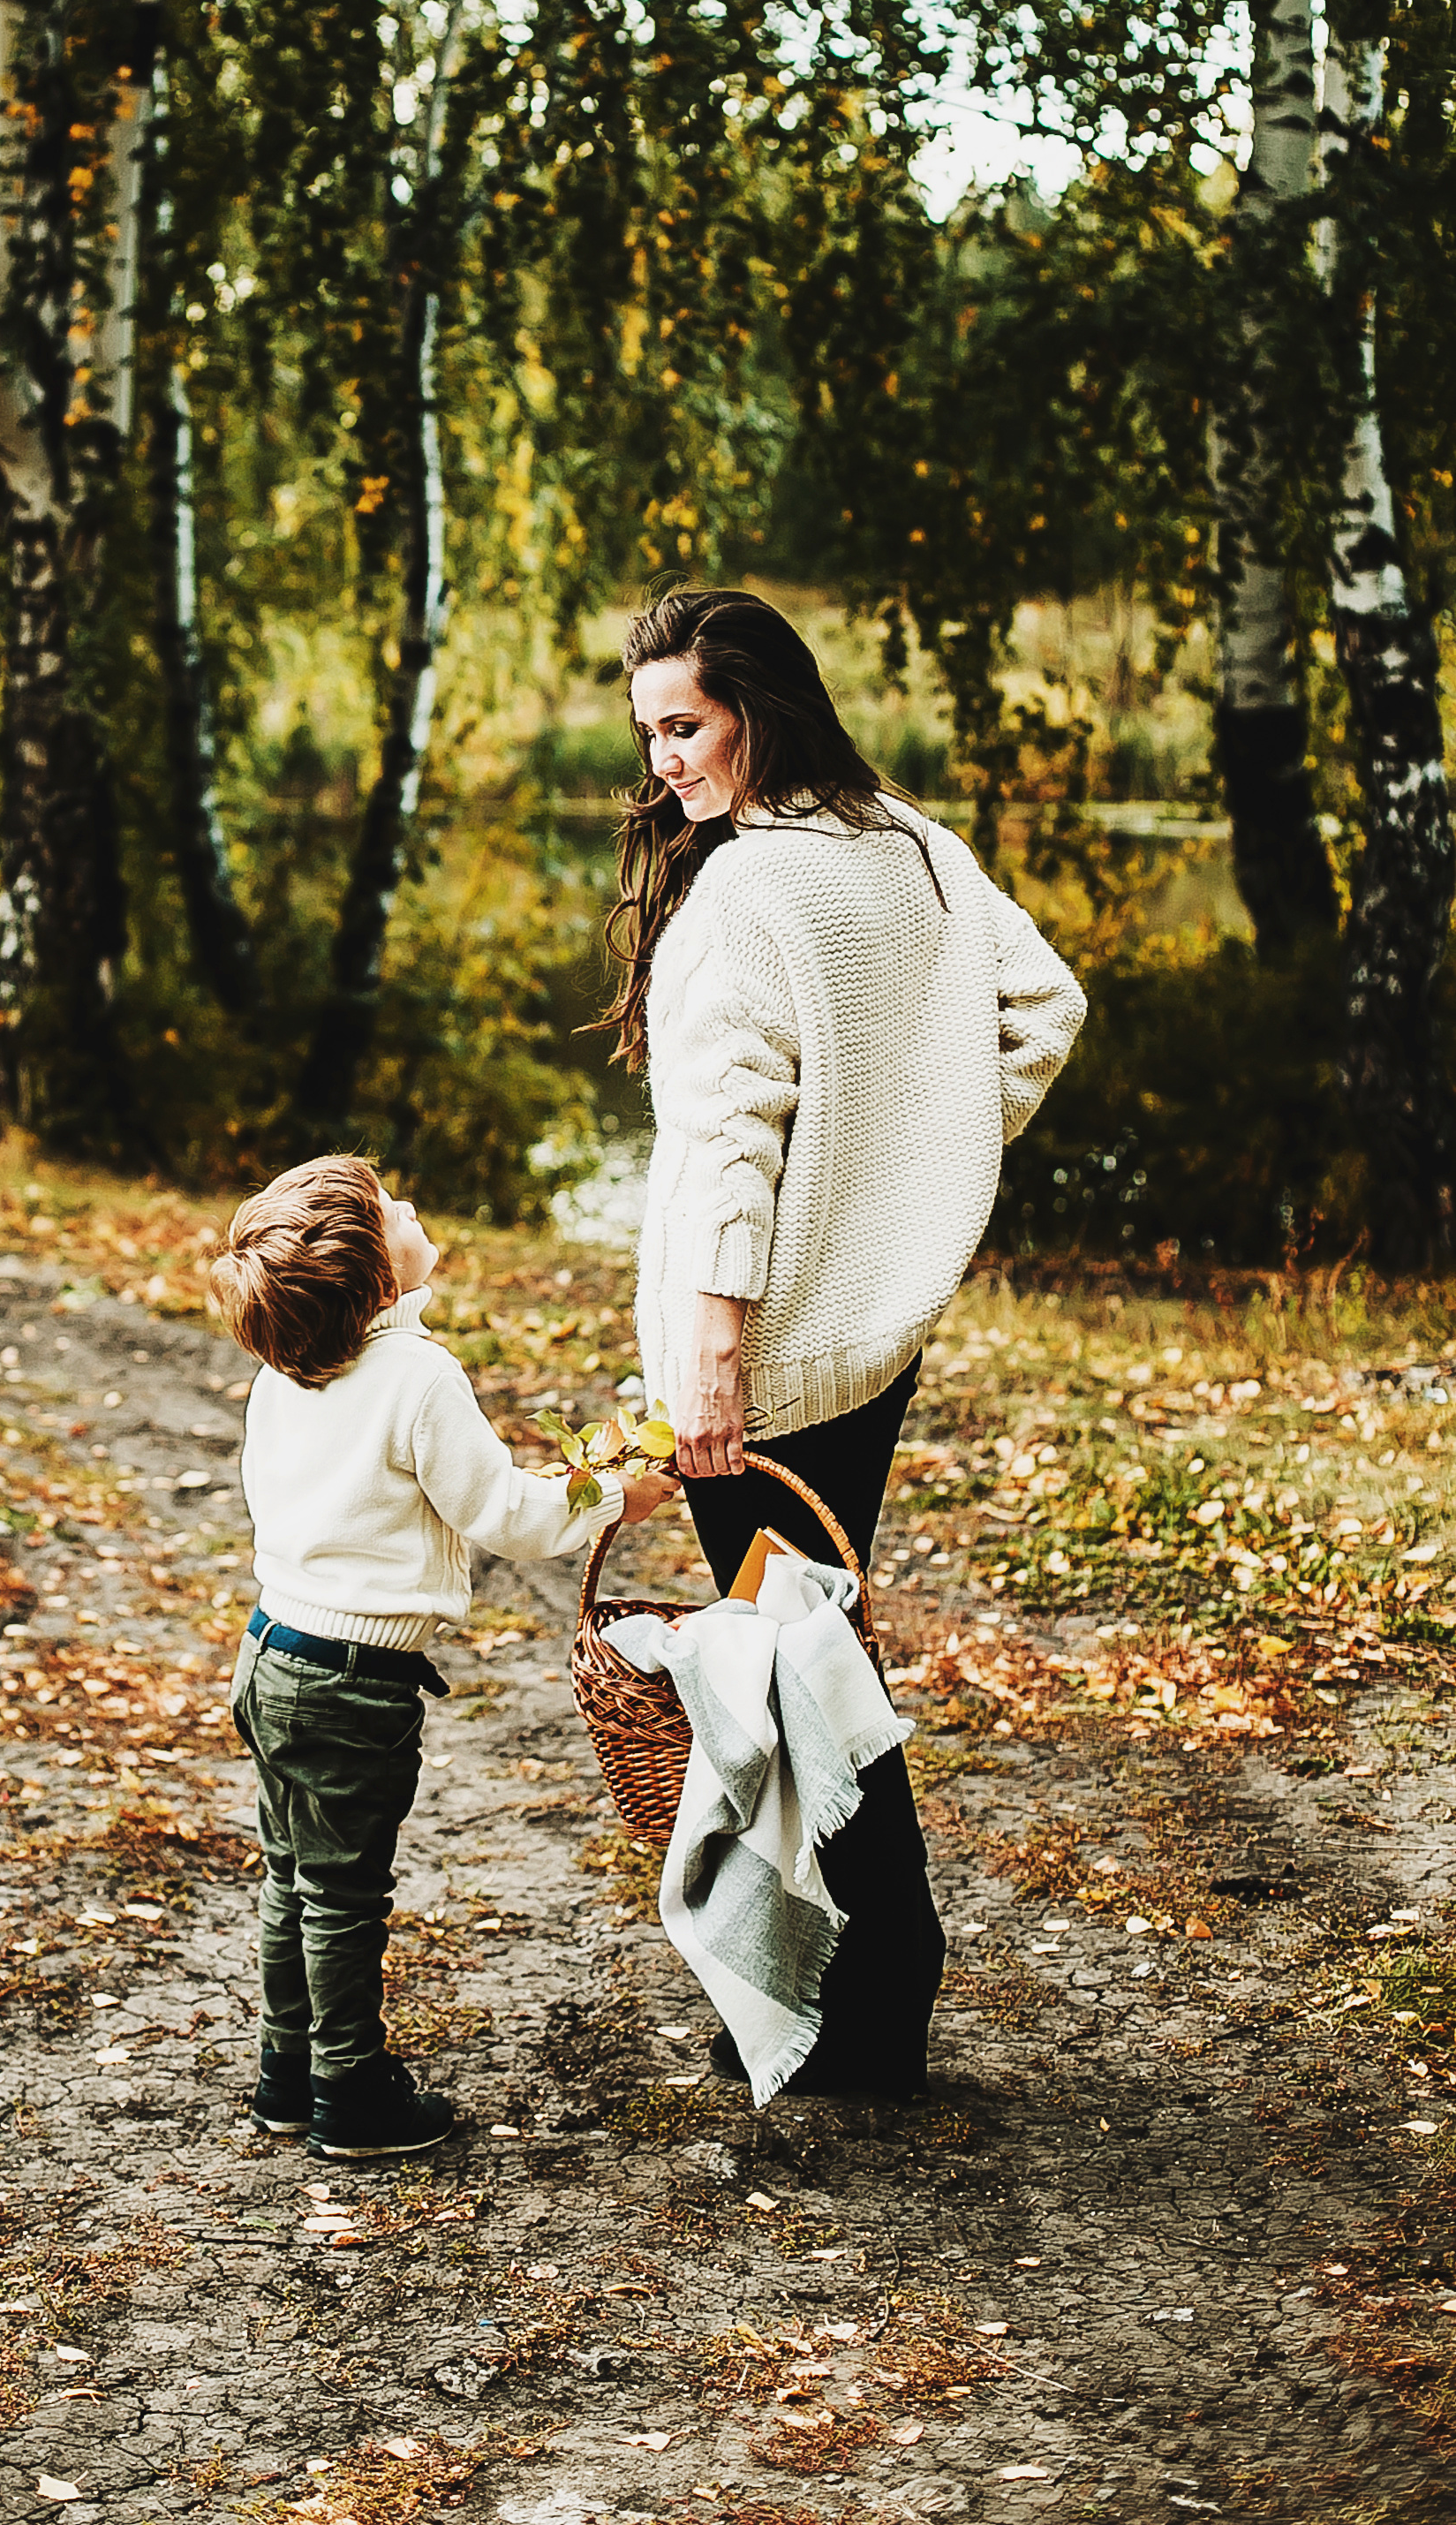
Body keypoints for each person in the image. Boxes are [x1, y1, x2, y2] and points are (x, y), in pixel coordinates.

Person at [607, 585, 1086, 2095]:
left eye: (685, 725)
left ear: (758, 710)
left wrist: (710, 1360)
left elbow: (733, 1148)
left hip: (761, 1362)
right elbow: (1042, 1008)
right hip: (867, 1345)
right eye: (649, 733)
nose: (664, 760)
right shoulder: (909, 843)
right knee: (805, 1646)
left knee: (796, 1669)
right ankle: (839, 1986)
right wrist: (908, 1175)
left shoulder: (748, 895)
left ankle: (874, 1996)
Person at [211, 1153, 676, 2159]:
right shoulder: (418, 1377)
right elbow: (502, 1513)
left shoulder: (286, 1370)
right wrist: (612, 1495)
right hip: (348, 1685)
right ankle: (350, 2092)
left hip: (271, 1655)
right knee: (343, 1896)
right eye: (389, 1210)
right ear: (379, 1282)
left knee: (292, 1876)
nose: (410, 1203)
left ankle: (286, 2073)